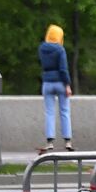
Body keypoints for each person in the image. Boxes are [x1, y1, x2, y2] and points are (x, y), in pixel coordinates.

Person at [37, 23, 74, 154]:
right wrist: (67, 85)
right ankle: (67, 141)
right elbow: (63, 69)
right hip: (60, 83)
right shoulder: (60, 50)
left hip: (47, 83)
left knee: (49, 112)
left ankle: (49, 142)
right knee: (64, 111)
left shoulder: (42, 48)